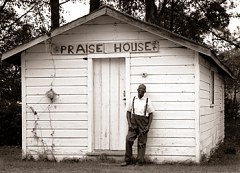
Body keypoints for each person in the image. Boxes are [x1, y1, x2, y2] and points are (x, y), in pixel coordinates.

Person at [121, 84, 154, 166]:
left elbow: (151, 114)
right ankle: (128, 160)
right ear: (137, 90)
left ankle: (140, 161)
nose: (141, 91)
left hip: (143, 124)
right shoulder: (132, 99)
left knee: (142, 143)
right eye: (139, 89)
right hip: (134, 123)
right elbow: (128, 112)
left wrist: (148, 126)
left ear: (145, 92)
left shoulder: (147, 101)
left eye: (142, 90)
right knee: (128, 139)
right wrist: (129, 123)